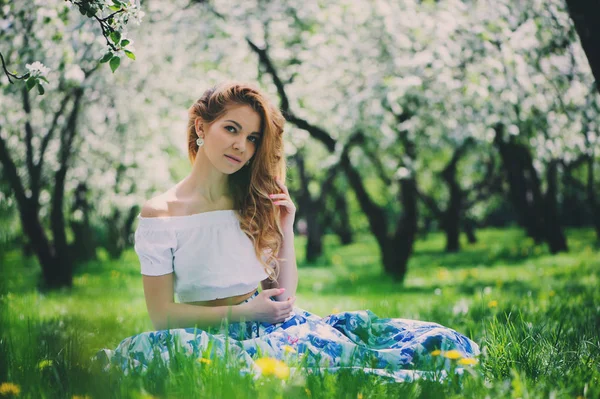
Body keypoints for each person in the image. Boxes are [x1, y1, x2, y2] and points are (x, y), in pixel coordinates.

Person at [94, 81, 479, 382]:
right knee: (194, 361)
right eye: (231, 129)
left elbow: (282, 296)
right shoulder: (161, 214)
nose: (241, 146)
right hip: (201, 335)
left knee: (419, 347)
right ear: (201, 126)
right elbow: (162, 316)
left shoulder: (252, 200)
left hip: (267, 328)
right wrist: (244, 313)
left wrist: (286, 229)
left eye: (252, 138)